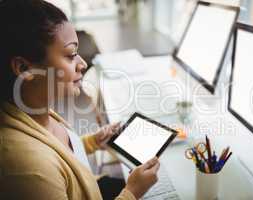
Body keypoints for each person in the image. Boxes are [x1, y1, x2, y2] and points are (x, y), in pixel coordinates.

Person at [0, 0, 160, 200]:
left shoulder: (33, 109)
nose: (82, 63)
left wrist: (92, 142)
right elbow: (49, 166)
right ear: (24, 68)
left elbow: (60, 155)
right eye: (71, 54)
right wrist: (132, 192)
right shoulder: (27, 167)